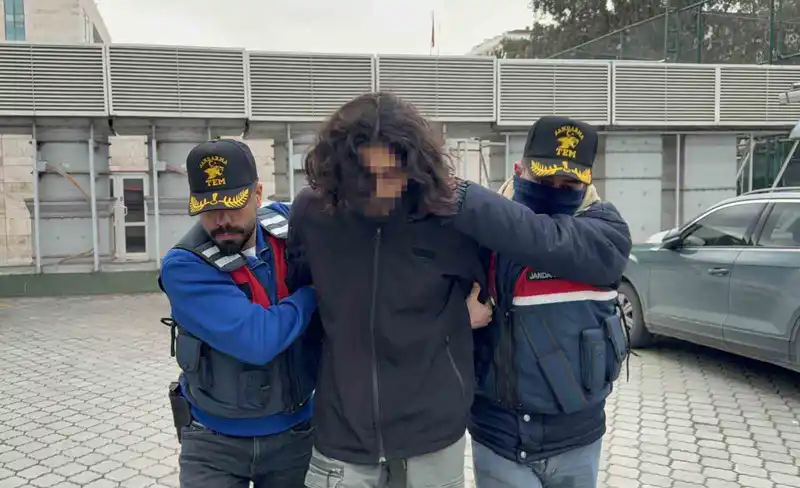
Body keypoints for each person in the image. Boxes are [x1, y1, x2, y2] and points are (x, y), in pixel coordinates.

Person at [287, 92, 492, 488]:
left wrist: (458, 319)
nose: (381, 189)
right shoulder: (312, 213)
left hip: (433, 433)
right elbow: (303, 291)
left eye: (393, 174)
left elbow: (487, 286)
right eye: (366, 176)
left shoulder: (447, 214)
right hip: (343, 433)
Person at [455, 116, 632, 488]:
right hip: (499, 438)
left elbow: (538, 236)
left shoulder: (607, 234)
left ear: (587, 182)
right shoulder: (479, 235)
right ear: (519, 169)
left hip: (577, 440)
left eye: (568, 184)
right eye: (544, 180)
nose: (555, 191)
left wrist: (459, 195)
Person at [159, 138, 321, 488]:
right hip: (214, 444)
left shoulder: (288, 226)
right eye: (209, 209)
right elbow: (257, 340)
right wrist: (314, 292)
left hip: (295, 437)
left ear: (258, 194)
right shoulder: (184, 265)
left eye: (234, 205)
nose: (222, 220)